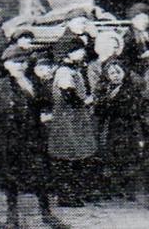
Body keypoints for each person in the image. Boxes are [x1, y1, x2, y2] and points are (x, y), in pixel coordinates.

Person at [0, 44, 57, 228]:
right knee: (11, 179)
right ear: (6, 65)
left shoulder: (34, 82)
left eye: (22, 62)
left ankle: (46, 213)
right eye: (14, 62)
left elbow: (46, 102)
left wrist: (45, 114)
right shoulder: (2, 85)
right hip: (11, 138)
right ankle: (12, 217)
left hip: (33, 136)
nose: (19, 66)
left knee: (41, 176)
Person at [46, 36, 97, 208]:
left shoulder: (72, 69)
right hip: (68, 117)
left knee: (75, 154)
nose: (83, 53)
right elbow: (68, 94)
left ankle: (73, 192)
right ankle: (66, 194)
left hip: (75, 117)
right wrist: (85, 102)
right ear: (68, 53)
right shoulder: (64, 72)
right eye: (78, 50)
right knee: (68, 154)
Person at [94, 56, 144, 199]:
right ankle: (112, 186)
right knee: (109, 155)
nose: (115, 76)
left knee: (126, 156)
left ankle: (128, 188)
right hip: (109, 126)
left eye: (118, 72)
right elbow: (99, 109)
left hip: (125, 127)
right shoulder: (103, 89)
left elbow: (132, 109)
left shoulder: (130, 90)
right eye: (112, 73)